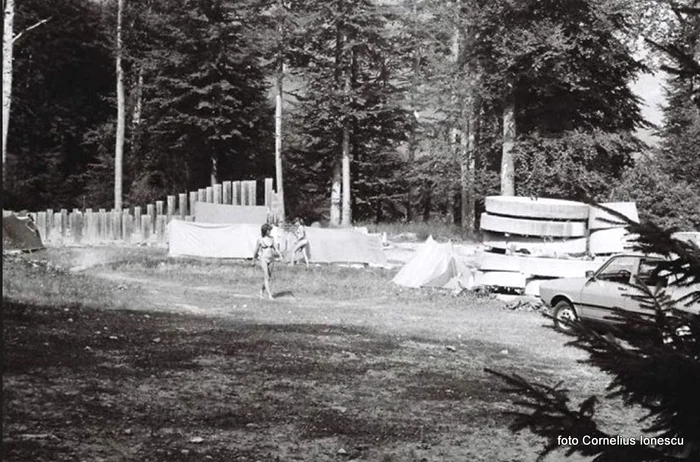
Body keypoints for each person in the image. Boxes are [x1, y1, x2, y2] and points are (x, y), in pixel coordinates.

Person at [252, 223, 281, 299]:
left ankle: (261, 291)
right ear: (265, 231)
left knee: (268, 277)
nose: (270, 231)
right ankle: (269, 295)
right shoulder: (260, 239)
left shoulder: (272, 238)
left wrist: (280, 255)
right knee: (266, 277)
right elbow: (256, 250)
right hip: (263, 259)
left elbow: (276, 248)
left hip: (271, 259)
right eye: (269, 230)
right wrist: (253, 259)